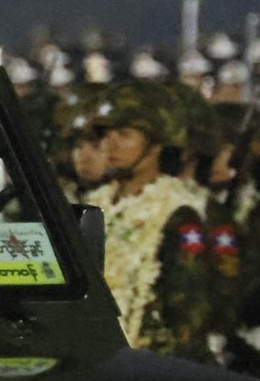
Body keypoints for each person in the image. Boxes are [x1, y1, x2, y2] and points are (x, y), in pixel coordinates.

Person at [89, 82, 209, 358]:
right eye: (106, 134)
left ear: (156, 143)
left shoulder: (177, 212)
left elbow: (187, 317)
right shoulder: (95, 202)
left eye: (124, 134)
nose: (110, 144)